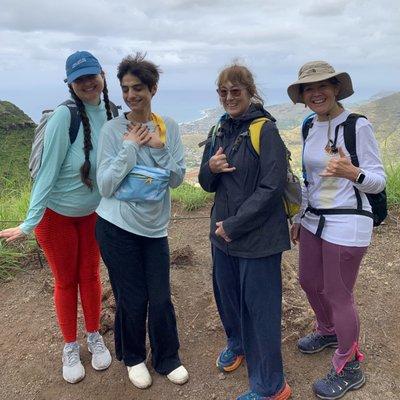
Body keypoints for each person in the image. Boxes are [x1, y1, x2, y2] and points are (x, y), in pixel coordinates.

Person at [0, 51, 113, 383]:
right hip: (55, 217)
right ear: (70, 85)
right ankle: (69, 345)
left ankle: (93, 334)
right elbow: (46, 175)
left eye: (92, 76)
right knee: (67, 281)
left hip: (92, 216)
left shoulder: (110, 114)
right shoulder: (65, 117)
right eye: (79, 79)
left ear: (103, 75)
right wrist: (29, 223)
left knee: (90, 276)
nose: (88, 83)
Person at [287, 61, 386, 399]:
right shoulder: (308, 126)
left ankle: (349, 365)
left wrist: (352, 172)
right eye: (308, 88)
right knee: (308, 282)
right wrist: (298, 216)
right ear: (302, 96)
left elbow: (377, 181)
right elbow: (308, 178)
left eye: (323, 85)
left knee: (337, 293)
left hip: (348, 220)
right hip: (315, 218)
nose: (316, 92)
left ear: (336, 88)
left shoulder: (358, 126)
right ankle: (328, 330)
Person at [198, 63, 292, 400]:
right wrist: (210, 167)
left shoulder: (264, 130)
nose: (228, 98)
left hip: (258, 240)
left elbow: (272, 187)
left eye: (235, 91)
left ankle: (271, 387)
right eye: (222, 92)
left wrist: (234, 226)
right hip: (222, 237)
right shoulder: (219, 129)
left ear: (250, 92)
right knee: (228, 300)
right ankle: (237, 345)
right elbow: (207, 184)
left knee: (260, 313)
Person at [95, 53, 188, 389]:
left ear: (153, 89)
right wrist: (130, 148)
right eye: (125, 89)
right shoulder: (113, 129)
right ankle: (133, 357)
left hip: (153, 228)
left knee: (160, 296)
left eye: (138, 88)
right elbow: (105, 185)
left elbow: (176, 179)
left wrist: (160, 147)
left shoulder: (170, 127)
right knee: (132, 297)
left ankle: (167, 357)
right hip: (116, 226)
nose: (132, 95)